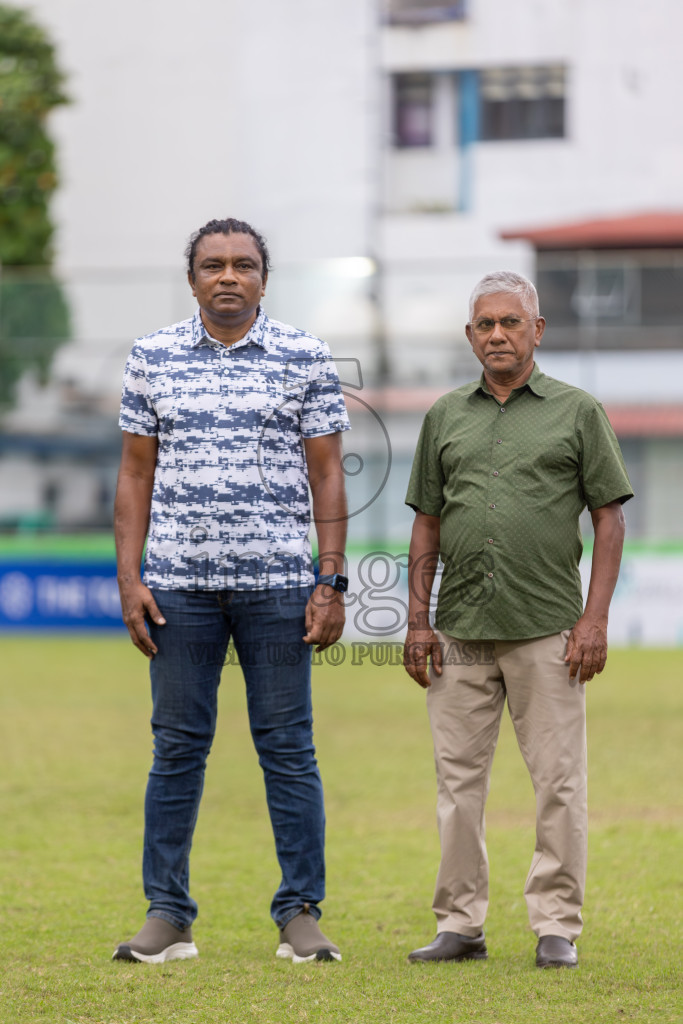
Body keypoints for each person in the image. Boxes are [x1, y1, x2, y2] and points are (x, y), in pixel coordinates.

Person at [112, 217, 350, 964]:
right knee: (176, 749)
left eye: (242, 265)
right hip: (178, 590)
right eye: (212, 265)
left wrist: (331, 579)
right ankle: (167, 915)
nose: (227, 277)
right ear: (191, 280)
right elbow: (135, 473)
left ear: (262, 279)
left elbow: (327, 474)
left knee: (287, 749)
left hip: (279, 586)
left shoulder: (304, 356)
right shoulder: (151, 358)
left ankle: (299, 913)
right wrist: (129, 577)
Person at [403, 270, 632, 969]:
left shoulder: (577, 411)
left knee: (558, 783)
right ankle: (459, 923)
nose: (496, 334)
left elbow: (608, 518)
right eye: (484, 324)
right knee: (456, 786)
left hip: (547, 631)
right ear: (470, 335)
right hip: (458, 631)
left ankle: (556, 924)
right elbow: (426, 525)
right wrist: (417, 621)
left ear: (536, 330)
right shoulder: (444, 415)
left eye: (510, 322)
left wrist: (592, 622)